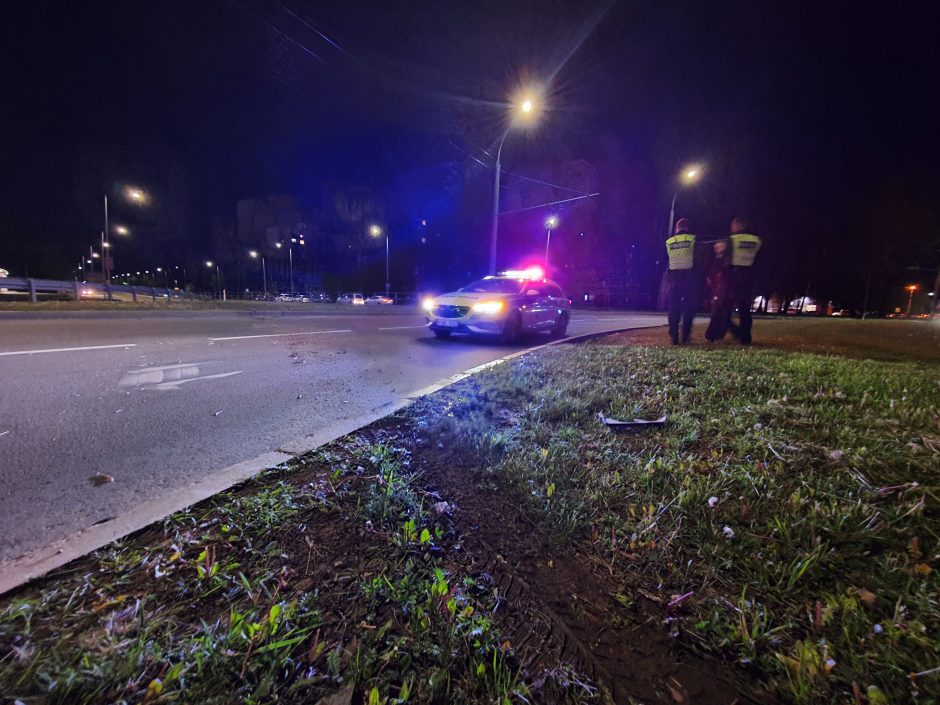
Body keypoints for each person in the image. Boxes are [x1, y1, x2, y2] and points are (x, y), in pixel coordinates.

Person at [727, 217, 763, 344]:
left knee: (724, 308)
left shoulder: (732, 240)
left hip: (733, 276)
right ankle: (745, 337)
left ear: (736, 226)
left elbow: (726, 260)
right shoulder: (756, 240)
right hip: (749, 277)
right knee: (745, 309)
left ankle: (735, 331)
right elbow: (760, 259)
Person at [664, 217, 699, 345]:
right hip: (689, 277)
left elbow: (667, 260)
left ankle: (674, 336)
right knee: (689, 308)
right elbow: (699, 258)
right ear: (688, 228)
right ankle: (685, 335)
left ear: (677, 228)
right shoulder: (692, 239)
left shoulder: (669, 241)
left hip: (674, 278)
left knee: (674, 308)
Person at [704, 235, 734, 341]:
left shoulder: (726, 261)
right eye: (716, 244)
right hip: (716, 289)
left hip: (723, 291)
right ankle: (733, 332)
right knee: (721, 314)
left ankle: (712, 335)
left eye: (720, 244)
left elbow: (723, 278)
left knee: (719, 313)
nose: (716, 246)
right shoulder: (714, 260)